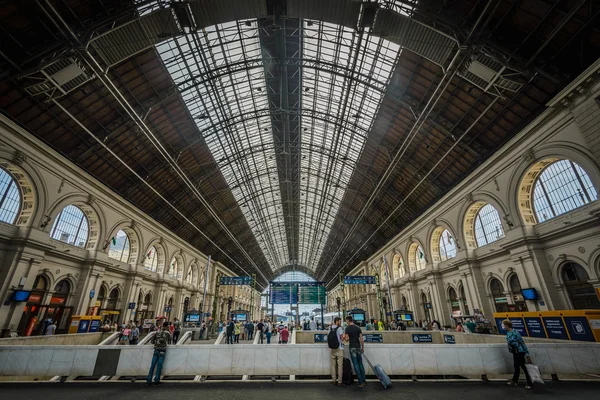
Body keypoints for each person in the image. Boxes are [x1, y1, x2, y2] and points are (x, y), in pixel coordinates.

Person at [504, 319, 533, 389]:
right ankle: (515, 380)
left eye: (504, 325)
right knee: (516, 366)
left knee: (523, 367)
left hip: (520, 352)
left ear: (507, 326)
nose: (503, 327)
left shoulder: (515, 333)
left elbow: (522, 343)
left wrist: (527, 354)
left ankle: (530, 382)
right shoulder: (508, 333)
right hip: (514, 351)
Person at [146, 321, 171, 386]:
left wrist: (157, 343)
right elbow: (170, 340)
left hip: (156, 350)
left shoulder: (157, 332)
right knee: (159, 366)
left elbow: (152, 341)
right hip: (162, 350)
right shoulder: (167, 333)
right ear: (167, 326)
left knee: (152, 365)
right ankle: (156, 380)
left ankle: (149, 380)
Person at [344, 316, 366, 388]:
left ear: (348, 321)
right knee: (360, 363)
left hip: (352, 347)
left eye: (346, 321)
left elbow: (346, 339)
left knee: (356, 364)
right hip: (358, 347)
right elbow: (361, 339)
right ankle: (364, 380)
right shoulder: (358, 328)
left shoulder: (347, 328)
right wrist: (362, 347)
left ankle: (360, 382)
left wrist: (345, 337)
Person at [329, 317, 344, 386]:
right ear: (337, 321)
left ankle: (334, 380)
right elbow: (342, 338)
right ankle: (339, 381)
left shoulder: (331, 328)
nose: (340, 323)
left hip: (332, 348)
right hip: (339, 348)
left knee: (333, 365)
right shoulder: (339, 328)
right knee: (340, 366)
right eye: (339, 321)